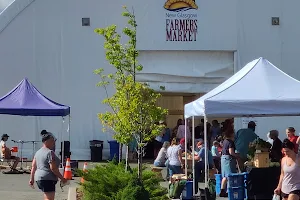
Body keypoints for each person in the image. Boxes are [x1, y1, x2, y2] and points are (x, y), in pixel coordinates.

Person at [29, 133, 67, 200]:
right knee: (49, 198)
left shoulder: (38, 152)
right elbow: (53, 168)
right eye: (52, 141)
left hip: (39, 178)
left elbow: (33, 166)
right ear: (46, 141)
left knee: (46, 196)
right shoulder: (50, 152)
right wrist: (62, 178)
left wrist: (31, 178)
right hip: (48, 178)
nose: (54, 143)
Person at [220, 128, 239, 197]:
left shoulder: (225, 141)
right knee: (230, 176)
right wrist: (237, 155)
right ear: (231, 134)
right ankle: (229, 191)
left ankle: (222, 190)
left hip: (223, 158)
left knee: (224, 176)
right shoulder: (231, 142)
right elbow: (231, 152)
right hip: (229, 159)